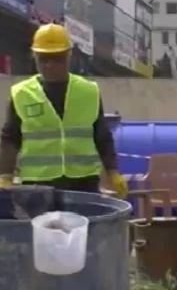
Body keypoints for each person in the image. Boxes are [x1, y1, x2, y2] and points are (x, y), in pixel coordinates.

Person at [0, 23, 128, 197]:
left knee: (83, 224)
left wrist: (113, 172)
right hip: (37, 184)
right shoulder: (21, 94)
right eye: (43, 59)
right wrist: (5, 175)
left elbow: (102, 136)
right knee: (40, 225)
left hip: (83, 182)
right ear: (34, 56)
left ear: (69, 56)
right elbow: (10, 139)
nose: (49, 65)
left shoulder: (88, 91)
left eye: (57, 58)